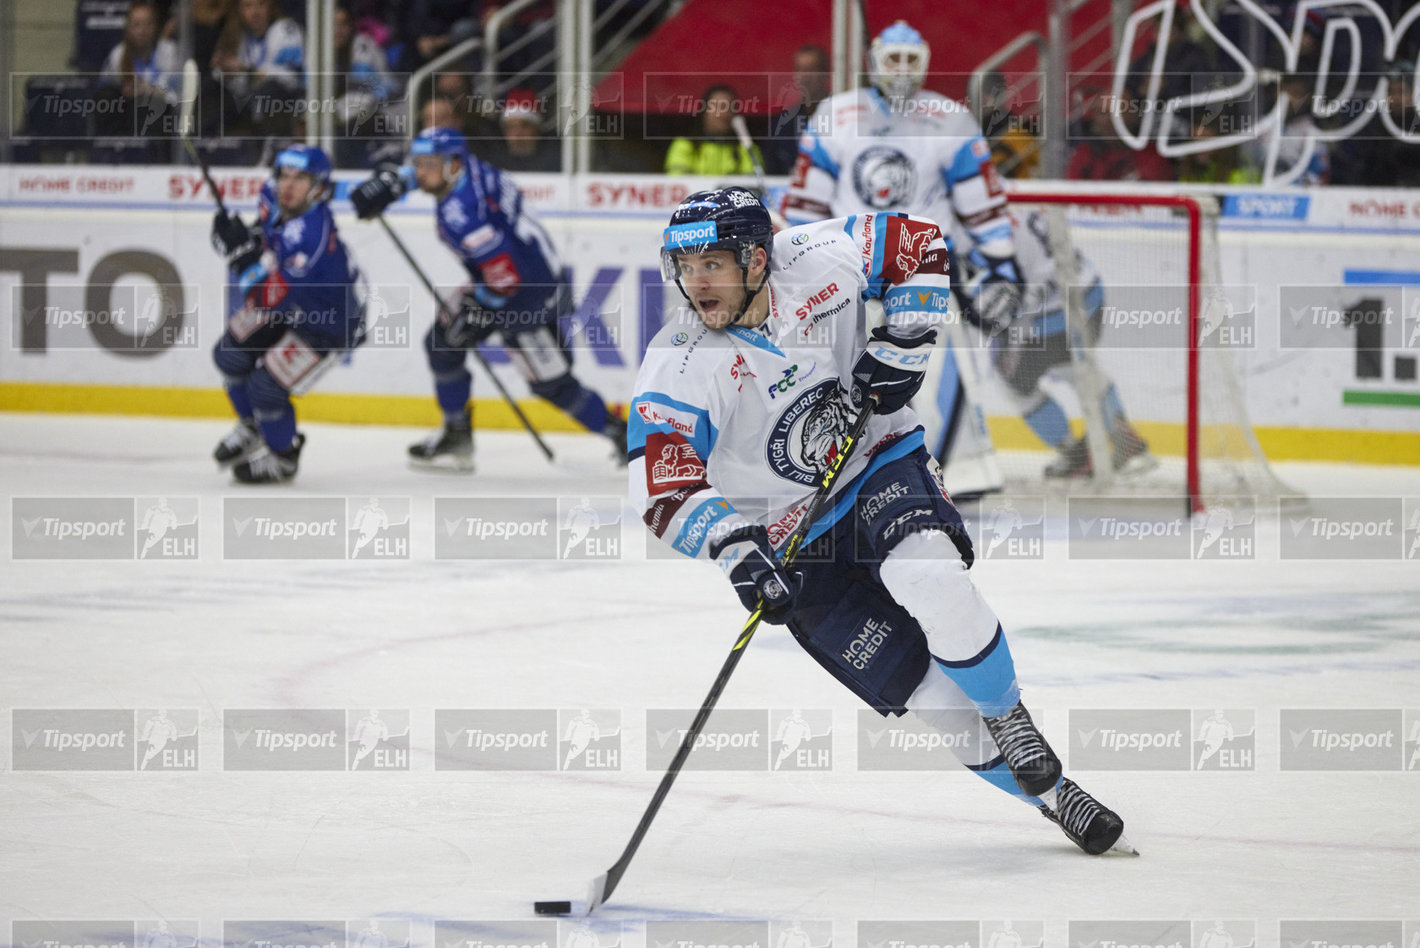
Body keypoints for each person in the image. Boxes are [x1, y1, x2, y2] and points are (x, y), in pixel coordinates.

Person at [632, 186, 1131, 856]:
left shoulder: (819, 257)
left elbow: (920, 243)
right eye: (684, 267)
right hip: (790, 540)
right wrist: (735, 551)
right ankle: (1055, 796)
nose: (696, 283)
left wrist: (903, 347)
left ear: (758, 259)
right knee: (926, 694)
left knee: (927, 575)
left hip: (873, 462)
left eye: (711, 263)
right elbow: (661, 480)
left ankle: (1009, 714)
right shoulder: (681, 361)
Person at [779, 20, 1022, 490]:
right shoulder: (835, 114)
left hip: (925, 268)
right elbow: (807, 201)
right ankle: (851, 467)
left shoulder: (950, 118)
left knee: (930, 370)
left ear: (926, 61)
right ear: (874, 61)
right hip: (851, 265)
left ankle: (955, 475)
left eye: (911, 60)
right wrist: (795, 253)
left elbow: (982, 200)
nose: (902, 70)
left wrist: (1000, 260)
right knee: (843, 369)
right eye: (893, 59)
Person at [348, 126, 626, 469]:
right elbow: (433, 173)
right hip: (516, 276)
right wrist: (395, 182)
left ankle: (624, 435)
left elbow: (505, 277)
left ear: (453, 165)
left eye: (428, 165)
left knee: (553, 386)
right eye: (418, 163)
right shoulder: (468, 171)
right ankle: (456, 435)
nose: (421, 171)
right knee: (442, 343)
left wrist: (480, 308)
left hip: (528, 296)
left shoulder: (463, 214)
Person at [959, 203, 1154, 478]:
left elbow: (1003, 295)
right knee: (1075, 366)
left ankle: (1077, 456)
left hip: (1050, 315)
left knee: (1014, 381)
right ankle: (1125, 438)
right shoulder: (1012, 195)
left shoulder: (978, 223)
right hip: (1090, 293)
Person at [209, 144, 367, 483]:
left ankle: (283, 458)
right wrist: (242, 237)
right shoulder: (272, 196)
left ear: (320, 189)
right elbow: (266, 234)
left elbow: (268, 296)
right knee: (228, 356)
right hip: (292, 301)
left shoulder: (311, 237)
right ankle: (254, 426)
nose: (287, 186)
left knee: (266, 388)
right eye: (284, 175)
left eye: (300, 179)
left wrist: (240, 257)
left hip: (329, 320)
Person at [211, 0, 305, 136]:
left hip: (288, 103)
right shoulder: (239, 37)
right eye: (248, 6)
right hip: (253, 106)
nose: (255, 12)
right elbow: (241, 89)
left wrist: (246, 69)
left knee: (269, 91)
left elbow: (291, 79)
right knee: (214, 89)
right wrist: (228, 74)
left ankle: (274, 146)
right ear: (239, 10)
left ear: (270, 6)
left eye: (261, 4)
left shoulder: (285, 30)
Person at [97, 2, 182, 119]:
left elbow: (177, 93)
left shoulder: (169, 51)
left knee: (150, 104)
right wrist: (124, 90)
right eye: (136, 25)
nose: (143, 31)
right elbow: (103, 88)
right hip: (127, 113)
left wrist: (149, 91)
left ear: (156, 26)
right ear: (128, 29)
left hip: (160, 114)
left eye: (148, 24)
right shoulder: (118, 54)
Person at [664, 84, 763, 175]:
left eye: (730, 108)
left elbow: (753, 185)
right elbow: (678, 182)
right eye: (717, 106)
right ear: (704, 111)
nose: (723, 113)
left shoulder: (747, 150)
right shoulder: (683, 145)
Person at [765, 44, 832, 175]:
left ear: (826, 73)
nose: (805, 76)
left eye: (811, 69)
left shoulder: (840, 118)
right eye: (801, 70)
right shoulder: (782, 125)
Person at [484, 88, 562, 172]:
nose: (517, 134)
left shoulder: (558, 154)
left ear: (537, 128)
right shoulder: (495, 160)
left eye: (524, 126)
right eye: (510, 128)